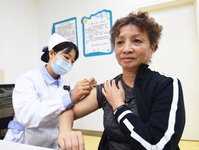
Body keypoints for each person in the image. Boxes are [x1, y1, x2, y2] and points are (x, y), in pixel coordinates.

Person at [58, 12, 185, 150]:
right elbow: (68, 112)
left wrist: (119, 106)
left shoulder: (166, 85)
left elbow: (157, 146)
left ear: (152, 48)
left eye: (137, 40)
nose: (126, 49)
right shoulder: (109, 88)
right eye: (120, 42)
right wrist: (65, 132)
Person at [3, 33, 97, 149]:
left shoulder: (67, 85)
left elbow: (73, 108)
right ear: (51, 54)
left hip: (51, 142)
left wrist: (87, 91)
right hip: (23, 142)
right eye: (66, 58)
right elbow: (28, 115)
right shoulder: (28, 79)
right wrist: (70, 97)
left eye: (72, 61)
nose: (69, 64)